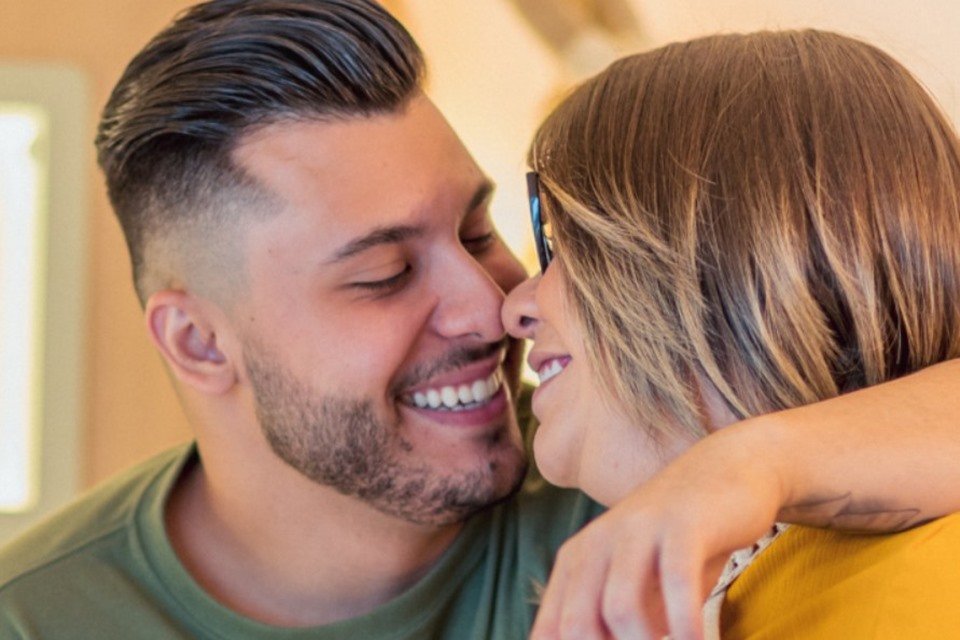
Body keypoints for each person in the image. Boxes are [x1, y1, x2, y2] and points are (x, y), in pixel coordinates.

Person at [0, 3, 957, 637]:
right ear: (200, 343)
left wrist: (744, 465)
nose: (490, 301)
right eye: (382, 273)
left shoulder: (629, 431)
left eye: (477, 226)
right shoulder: (37, 619)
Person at [503, 29, 960, 640]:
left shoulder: (906, 592)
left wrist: (750, 461)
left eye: (559, 244)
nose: (513, 307)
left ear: (725, 269)